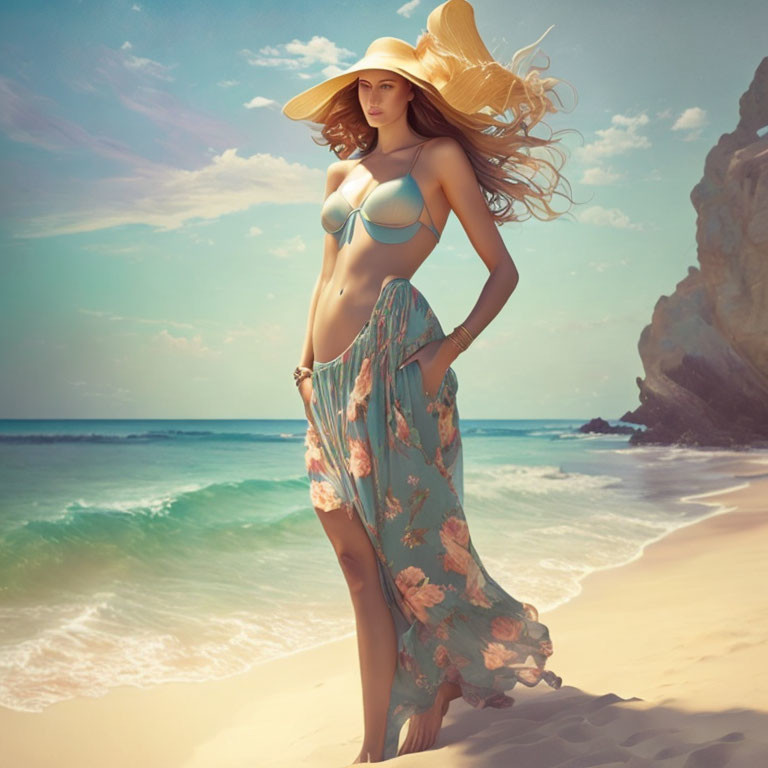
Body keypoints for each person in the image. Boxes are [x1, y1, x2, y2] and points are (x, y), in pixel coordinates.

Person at [283, 0, 577, 761]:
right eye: (365, 87)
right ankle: (394, 715)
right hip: (328, 382)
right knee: (355, 561)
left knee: (411, 554)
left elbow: (502, 271)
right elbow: (325, 279)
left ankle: (380, 737)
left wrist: (448, 351)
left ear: (412, 91)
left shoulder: (437, 160)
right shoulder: (342, 170)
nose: (373, 97)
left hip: (395, 368)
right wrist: (304, 362)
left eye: (386, 85)